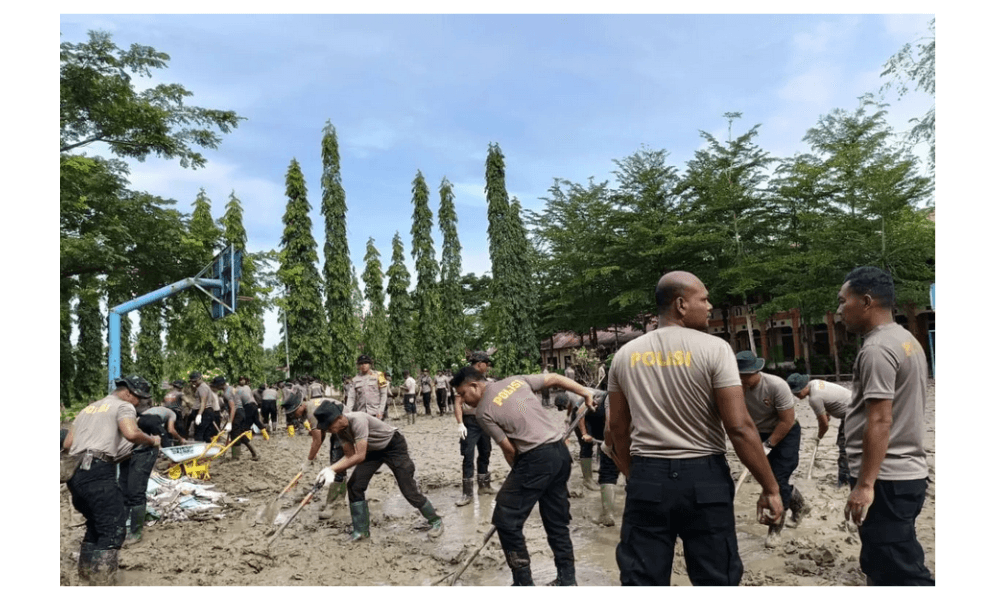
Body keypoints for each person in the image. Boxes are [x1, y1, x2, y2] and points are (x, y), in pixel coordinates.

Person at [605, 271, 782, 586]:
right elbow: (739, 427)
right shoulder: (715, 349)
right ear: (681, 304)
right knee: (716, 578)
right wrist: (770, 487)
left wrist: (635, 476)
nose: (710, 306)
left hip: (648, 476)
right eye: (704, 299)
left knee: (641, 580)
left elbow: (616, 429)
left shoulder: (624, 356)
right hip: (705, 479)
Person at [451, 365, 594, 586]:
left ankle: (523, 583)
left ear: (474, 385)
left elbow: (509, 449)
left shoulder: (482, 412)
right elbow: (554, 378)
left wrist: (520, 473)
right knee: (556, 523)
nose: (463, 400)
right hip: (560, 454)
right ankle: (567, 580)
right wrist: (585, 392)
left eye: (463, 394)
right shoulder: (515, 380)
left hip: (536, 458)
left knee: (505, 518)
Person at [837, 266, 934, 585]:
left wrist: (865, 485)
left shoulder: (877, 349)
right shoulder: (906, 340)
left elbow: (880, 419)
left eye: (843, 301)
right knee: (883, 564)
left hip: (886, 478)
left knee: (900, 572)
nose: (839, 310)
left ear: (866, 302)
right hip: (904, 473)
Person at [62, 375, 161, 585]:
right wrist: (151, 440)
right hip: (98, 471)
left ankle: (86, 577)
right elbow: (131, 433)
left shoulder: (88, 409)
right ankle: (102, 583)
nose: (139, 403)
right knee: (113, 529)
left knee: (95, 525)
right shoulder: (124, 406)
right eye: (139, 398)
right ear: (129, 393)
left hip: (76, 474)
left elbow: (69, 443)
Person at [313, 401, 444, 541]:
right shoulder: (339, 431)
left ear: (339, 418)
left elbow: (359, 456)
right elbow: (350, 455)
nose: (328, 431)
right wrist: (329, 471)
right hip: (372, 451)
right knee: (354, 486)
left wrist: (332, 469)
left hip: (393, 446)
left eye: (329, 427)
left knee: (408, 489)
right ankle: (361, 531)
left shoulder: (358, 420)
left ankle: (435, 521)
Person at [736, 350, 807, 547]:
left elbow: (787, 420)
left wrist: (769, 444)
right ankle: (800, 505)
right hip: (758, 432)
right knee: (767, 478)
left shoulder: (776, 386)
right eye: (739, 376)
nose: (742, 380)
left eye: (746, 376)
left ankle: (775, 526)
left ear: (756, 371)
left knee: (778, 478)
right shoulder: (735, 389)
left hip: (786, 432)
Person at [124, 404, 188, 544]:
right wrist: (180, 439)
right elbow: (171, 430)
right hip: (151, 421)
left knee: (147, 442)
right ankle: (174, 463)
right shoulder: (172, 414)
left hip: (139, 421)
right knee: (165, 442)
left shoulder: (158, 409)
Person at [787, 373, 852, 487]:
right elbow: (828, 400)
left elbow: (824, 424)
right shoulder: (816, 383)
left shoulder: (814, 398)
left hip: (853, 414)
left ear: (804, 387)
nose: (797, 397)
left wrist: (818, 436)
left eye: (797, 393)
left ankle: (845, 481)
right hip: (853, 408)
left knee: (844, 447)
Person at [554, 391, 601, 492]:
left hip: (589, 411)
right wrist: (583, 433)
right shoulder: (574, 399)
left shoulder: (573, 397)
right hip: (581, 412)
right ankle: (587, 480)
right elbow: (578, 413)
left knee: (601, 441)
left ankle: (599, 466)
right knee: (586, 445)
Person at [212, 375, 259, 460]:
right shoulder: (231, 388)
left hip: (237, 413)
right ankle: (254, 453)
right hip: (241, 412)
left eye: (216, 385)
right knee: (240, 434)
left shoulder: (226, 393)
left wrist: (230, 422)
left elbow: (233, 407)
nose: (215, 387)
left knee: (235, 435)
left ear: (220, 384)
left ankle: (236, 457)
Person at [346, 355, 389, 420]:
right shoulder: (355, 380)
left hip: (375, 413)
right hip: (361, 414)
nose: (364, 365)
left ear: (370, 364)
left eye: (366, 363)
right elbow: (351, 398)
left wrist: (381, 410)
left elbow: (383, 394)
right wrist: (348, 413)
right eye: (361, 363)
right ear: (359, 366)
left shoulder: (380, 376)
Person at [191, 371, 220, 443]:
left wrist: (199, 414)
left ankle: (199, 449)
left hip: (204, 412)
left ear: (200, 378)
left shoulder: (202, 387)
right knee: (206, 435)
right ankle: (208, 448)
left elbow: (203, 402)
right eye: (192, 381)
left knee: (199, 434)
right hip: (207, 412)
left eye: (195, 381)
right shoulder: (202, 387)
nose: (194, 383)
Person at [237, 376, 268, 441]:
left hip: (249, 405)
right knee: (256, 421)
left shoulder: (240, 388)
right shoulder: (246, 387)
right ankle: (266, 436)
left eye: (243, 380)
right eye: (241, 380)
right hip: (253, 405)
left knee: (247, 422)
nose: (242, 381)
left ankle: (248, 438)